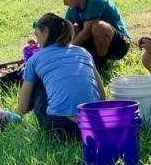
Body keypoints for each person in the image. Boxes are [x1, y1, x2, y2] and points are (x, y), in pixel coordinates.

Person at [19, 13, 106, 141]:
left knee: (37, 82)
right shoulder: (83, 53)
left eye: (37, 35)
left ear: (46, 31)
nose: (37, 42)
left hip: (61, 128)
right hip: (94, 125)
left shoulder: (35, 59)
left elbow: (23, 108)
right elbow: (102, 96)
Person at [54, 0, 130, 69]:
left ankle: (101, 61)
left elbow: (87, 32)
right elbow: (63, 29)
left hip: (119, 45)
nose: (65, 3)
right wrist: (45, 42)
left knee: (98, 26)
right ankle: (86, 59)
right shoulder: (73, 8)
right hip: (96, 42)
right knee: (72, 29)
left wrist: (68, 49)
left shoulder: (95, 0)